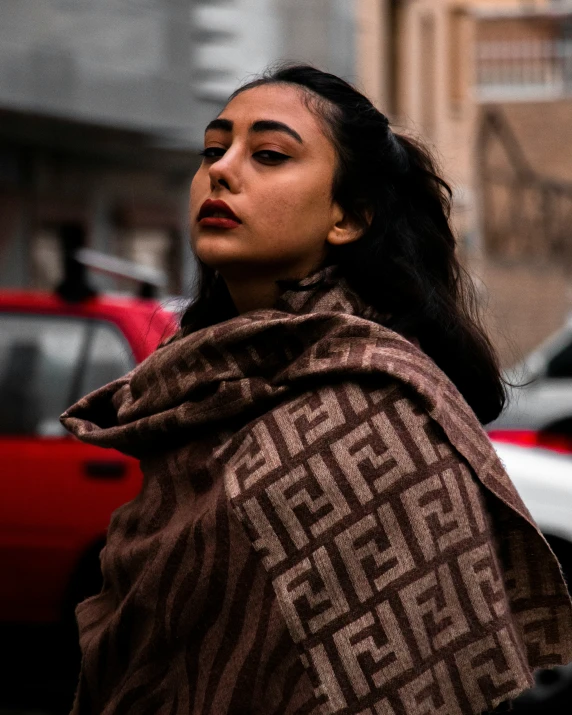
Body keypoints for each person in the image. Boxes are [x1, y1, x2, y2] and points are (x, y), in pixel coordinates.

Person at [61, 64, 572, 715]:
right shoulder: (196, 389)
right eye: (213, 150)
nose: (222, 170)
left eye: (269, 154)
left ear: (348, 218)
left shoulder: (369, 412)